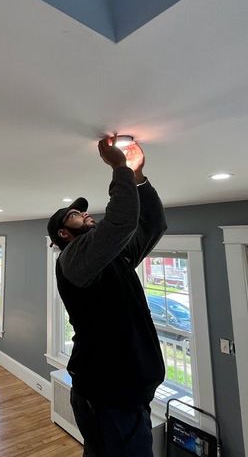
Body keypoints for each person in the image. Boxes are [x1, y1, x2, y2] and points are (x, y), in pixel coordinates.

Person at [47, 136, 167, 457]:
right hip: (108, 394)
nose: (86, 215)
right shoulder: (73, 259)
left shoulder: (114, 257)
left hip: (128, 392)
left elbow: (152, 225)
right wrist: (118, 167)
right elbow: (121, 220)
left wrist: (138, 178)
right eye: (75, 215)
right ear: (63, 233)